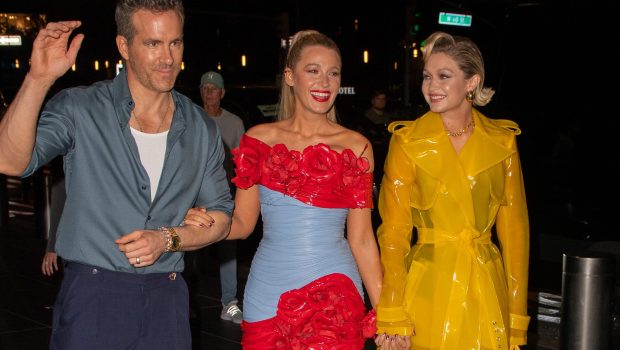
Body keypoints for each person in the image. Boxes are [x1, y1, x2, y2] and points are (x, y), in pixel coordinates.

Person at [0, 0, 233, 349]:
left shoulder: (201, 127)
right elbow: (10, 161)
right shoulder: (81, 108)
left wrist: (169, 238)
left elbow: (222, 216)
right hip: (94, 296)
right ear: (124, 46)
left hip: (167, 298)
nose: (168, 58)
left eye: (175, 42)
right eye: (153, 44)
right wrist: (38, 78)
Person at [185, 29, 388, 349]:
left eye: (333, 73)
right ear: (290, 77)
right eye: (313, 70)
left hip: (335, 292)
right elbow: (241, 223)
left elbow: (362, 238)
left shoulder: (356, 146)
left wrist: (386, 314)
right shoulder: (258, 139)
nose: (324, 81)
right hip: (268, 291)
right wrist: (206, 221)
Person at [374, 31, 530, 349]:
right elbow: (393, 233)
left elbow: (516, 234)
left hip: (486, 286)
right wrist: (391, 312)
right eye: (427, 77)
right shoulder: (407, 142)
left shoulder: (502, 141)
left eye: (444, 76)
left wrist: (516, 318)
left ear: (472, 82)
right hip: (427, 286)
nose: (432, 87)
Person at [199, 70, 245, 324]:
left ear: (222, 93)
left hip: (224, 194)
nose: (209, 92)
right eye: (204, 88)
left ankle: (229, 302)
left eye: (213, 88)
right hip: (193, 196)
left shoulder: (234, 123)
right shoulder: (190, 117)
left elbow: (243, 163)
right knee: (186, 247)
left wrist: (241, 195)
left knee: (228, 246)